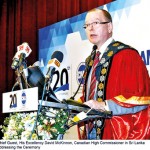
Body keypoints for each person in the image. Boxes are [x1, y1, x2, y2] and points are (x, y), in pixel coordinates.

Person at [77, 8, 150, 140]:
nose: (91, 28)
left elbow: (142, 97)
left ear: (109, 26)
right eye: (87, 25)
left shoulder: (127, 55)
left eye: (96, 23)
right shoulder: (91, 60)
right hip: (89, 130)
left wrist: (104, 105)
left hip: (116, 132)